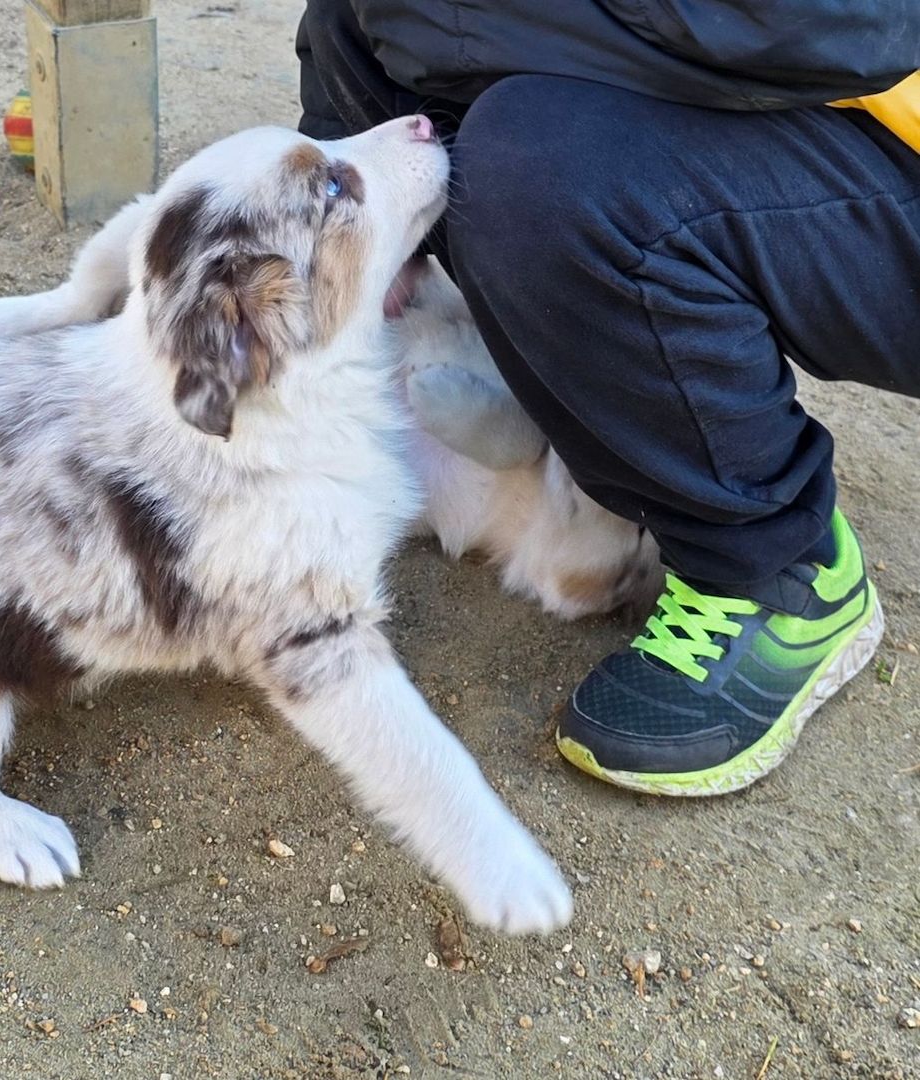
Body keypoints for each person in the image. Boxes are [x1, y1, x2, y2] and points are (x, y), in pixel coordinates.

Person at [296, 1, 920, 796]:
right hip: (808, 107)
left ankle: (775, 566)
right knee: (406, 56)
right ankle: (577, 392)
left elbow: (825, 23)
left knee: (538, 159)